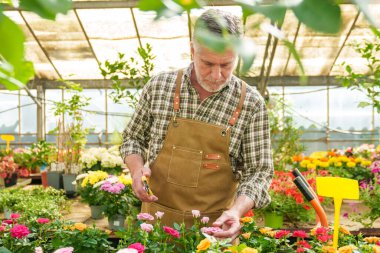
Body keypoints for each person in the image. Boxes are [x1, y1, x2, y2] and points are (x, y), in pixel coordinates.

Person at [120, 9, 274, 240]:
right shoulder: (160, 87)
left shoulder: (251, 103)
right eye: (208, 63)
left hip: (216, 227)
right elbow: (133, 138)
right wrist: (136, 171)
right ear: (193, 50)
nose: (216, 74)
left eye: (226, 65)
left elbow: (259, 172)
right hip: (157, 222)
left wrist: (236, 211)